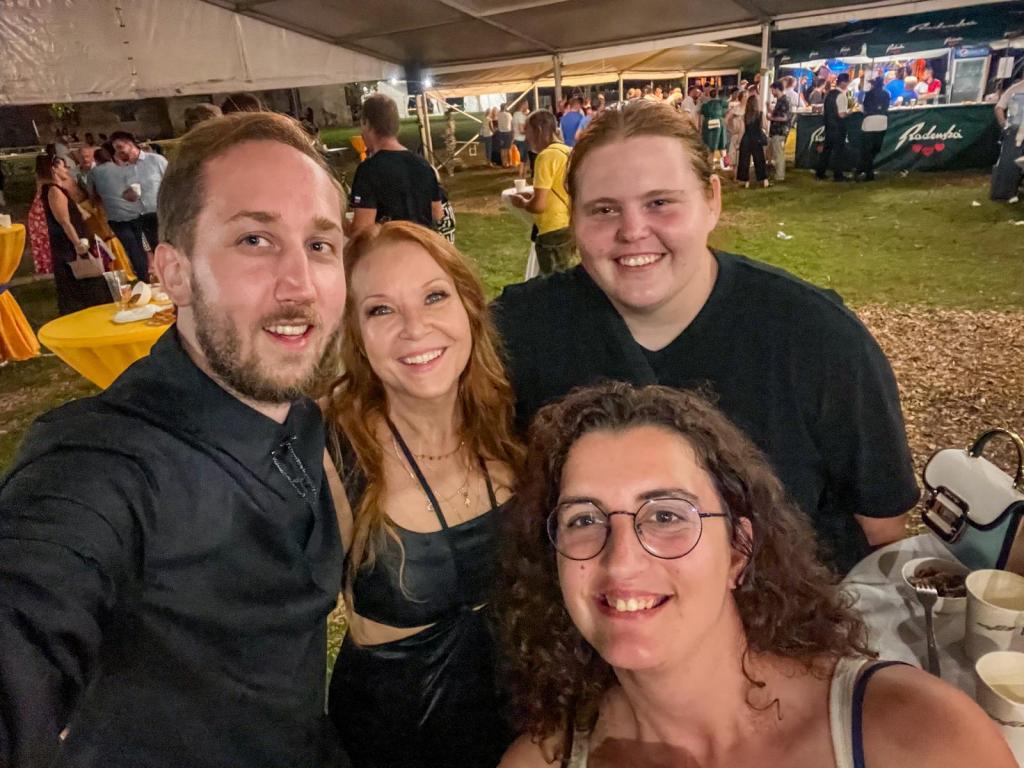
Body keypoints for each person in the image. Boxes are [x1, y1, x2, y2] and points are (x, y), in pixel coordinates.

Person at [0, 111, 350, 768]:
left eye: (320, 245)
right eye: (254, 239)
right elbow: (33, 593)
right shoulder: (104, 462)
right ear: (175, 272)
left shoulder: (299, 416)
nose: (300, 284)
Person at [491, 101, 918, 574]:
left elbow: (881, 528)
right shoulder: (518, 333)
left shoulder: (818, 338)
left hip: (777, 612)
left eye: (660, 203)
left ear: (712, 200)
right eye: (604, 209)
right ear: (574, 217)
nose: (633, 231)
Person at [495, 382, 1015, 768]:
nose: (622, 561)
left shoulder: (917, 737)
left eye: (667, 516)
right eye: (584, 520)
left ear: (739, 549)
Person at [324, 221, 522, 768]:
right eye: (380, 310)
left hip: (516, 733)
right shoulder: (332, 455)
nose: (415, 328)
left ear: (469, 307)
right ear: (355, 335)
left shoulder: (512, 422)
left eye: (434, 296)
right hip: (391, 748)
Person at [347, 93, 443, 238]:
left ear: (367, 123)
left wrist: (341, 224)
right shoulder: (423, 165)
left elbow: (362, 230)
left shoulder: (368, 170)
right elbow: (437, 213)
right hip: (423, 245)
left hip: (391, 247)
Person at [34, 154, 110, 315]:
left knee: (89, 280)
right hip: (70, 245)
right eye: (63, 166)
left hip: (76, 240)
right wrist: (78, 244)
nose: (67, 169)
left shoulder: (59, 189)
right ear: (54, 169)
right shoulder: (54, 191)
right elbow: (64, 221)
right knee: (81, 279)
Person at [87, 130, 167, 280]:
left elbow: (171, 183)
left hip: (161, 212)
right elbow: (127, 194)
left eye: (120, 147)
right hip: (141, 216)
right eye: (115, 149)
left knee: (169, 248)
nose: (118, 152)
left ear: (130, 144)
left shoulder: (155, 160)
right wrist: (127, 196)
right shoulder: (122, 169)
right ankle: (161, 281)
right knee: (154, 251)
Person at [508, 110, 572, 275]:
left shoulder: (545, 157)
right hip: (569, 224)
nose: (526, 138)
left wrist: (522, 203)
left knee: (553, 282)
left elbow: (538, 206)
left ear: (538, 130)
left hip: (552, 229)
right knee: (567, 277)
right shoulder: (568, 151)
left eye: (528, 132)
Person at [991, 76, 1024, 202]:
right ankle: (1004, 192)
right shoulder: (1014, 89)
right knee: (1009, 162)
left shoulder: (1014, 89)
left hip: (1015, 130)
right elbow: (999, 108)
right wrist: (1004, 125)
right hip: (1015, 130)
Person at [817, 72, 850, 182]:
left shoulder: (829, 94)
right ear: (844, 83)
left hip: (829, 126)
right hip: (838, 127)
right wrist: (850, 112)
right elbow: (841, 114)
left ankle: (820, 173)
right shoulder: (841, 96)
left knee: (826, 151)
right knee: (838, 152)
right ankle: (838, 175)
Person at [858, 76, 890, 182]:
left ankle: (867, 171)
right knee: (875, 148)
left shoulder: (868, 94)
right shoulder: (886, 94)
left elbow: (864, 108)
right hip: (882, 122)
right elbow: (886, 107)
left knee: (867, 149)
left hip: (870, 121)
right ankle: (866, 169)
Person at [736, 93, 768, 188]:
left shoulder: (744, 116)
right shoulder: (760, 114)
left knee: (744, 161)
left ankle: (746, 181)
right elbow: (765, 126)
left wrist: (738, 142)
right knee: (759, 160)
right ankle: (764, 180)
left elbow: (742, 130)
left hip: (746, 139)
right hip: (757, 139)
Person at [767, 81, 792, 182]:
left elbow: (784, 118)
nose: (772, 92)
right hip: (776, 131)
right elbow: (778, 114)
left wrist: (771, 118)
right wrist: (769, 109)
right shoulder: (780, 100)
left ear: (777, 89)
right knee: (775, 153)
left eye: (772, 90)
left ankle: (780, 175)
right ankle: (776, 173)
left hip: (780, 131)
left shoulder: (784, 101)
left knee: (779, 154)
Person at [698, 88, 726, 167]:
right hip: (719, 124)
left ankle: (710, 164)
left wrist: (700, 127)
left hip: (708, 124)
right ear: (717, 95)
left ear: (709, 96)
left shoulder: (705, 105)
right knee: (720, 144)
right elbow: (725, 113)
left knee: (709, 144)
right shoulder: (721, 104)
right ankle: (720, 165)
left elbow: (701, 116)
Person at [513, 101, 531, 178]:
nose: (528, 106)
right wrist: (529, 131)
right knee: (523, 160)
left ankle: (521, 176)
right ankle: (522, 177)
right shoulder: (520, 116)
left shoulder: (515, 114)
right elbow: (521, 130)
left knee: (520, 160)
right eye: (527, 105)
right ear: (523, 105)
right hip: (522, 140)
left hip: (516, 139)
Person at [497, 102, 515, 167]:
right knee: (508, 148)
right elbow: (512, 123)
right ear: (505, 107)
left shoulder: (498, 115)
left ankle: (504, 163)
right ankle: (510, 162)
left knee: (502, 149)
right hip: (508, 132)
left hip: (500, 133)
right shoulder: (508, 114)